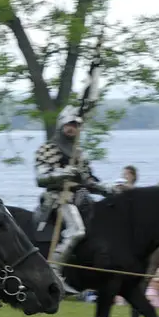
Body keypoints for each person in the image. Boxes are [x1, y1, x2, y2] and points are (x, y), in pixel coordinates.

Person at [35, 106, 112, 277]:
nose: (72, 128)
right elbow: (40, 177)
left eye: (76, 125)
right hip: (58, 198)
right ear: (62, 125)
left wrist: (108, 189)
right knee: (76, 230)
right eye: (70, 124)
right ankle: (54, 270)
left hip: (80, 198)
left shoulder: (78, 153)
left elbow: (88, 180)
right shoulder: (49, 148)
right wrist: (63, 173)